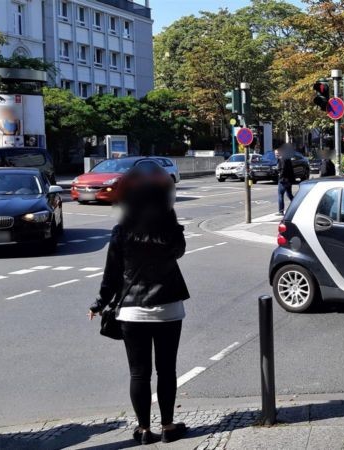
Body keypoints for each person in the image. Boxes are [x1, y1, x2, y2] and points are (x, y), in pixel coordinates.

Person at [88, 167, 190, 445]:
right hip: (168, 306)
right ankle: (168, 426)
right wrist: (170, 215)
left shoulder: (121, 231)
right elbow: (179, 251)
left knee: (138, 372)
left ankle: (144, 430)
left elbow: (111, 274)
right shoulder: (169, 229)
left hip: (132, 311)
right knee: (166, 370)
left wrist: (99, 304)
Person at [276, 145, 296, 215]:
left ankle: (281, 211)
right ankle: (296, 206)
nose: (276, 155)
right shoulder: (287, 158)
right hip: (288, 180)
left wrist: (280, 177)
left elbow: (283, 170)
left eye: (277, 153)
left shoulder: (283, 159)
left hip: (283, 180)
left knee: (280, 195)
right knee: (289, 194)